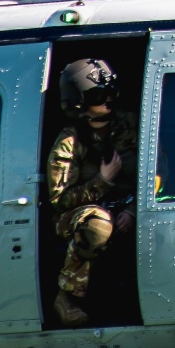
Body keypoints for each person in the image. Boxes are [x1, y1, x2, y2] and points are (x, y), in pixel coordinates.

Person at [47, 59, 137, 326]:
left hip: (131, 204)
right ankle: (67, 296)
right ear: (78, 103)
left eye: (111, 92)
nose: (108, 99)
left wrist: (133, 210)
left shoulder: (131, 124)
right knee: (97, 224)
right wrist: (102, 181)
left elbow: (158, 172)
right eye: (98, 95)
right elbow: (59, 200)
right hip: (78, 215)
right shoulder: (69, 142)